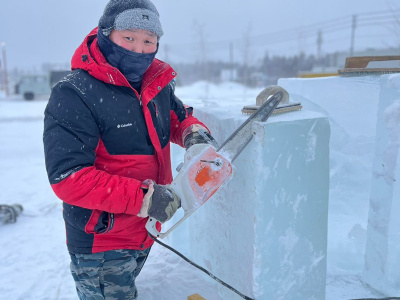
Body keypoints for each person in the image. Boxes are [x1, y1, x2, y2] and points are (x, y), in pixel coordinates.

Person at [43, 0, 217, 299]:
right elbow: (68, 178)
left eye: (149, 40)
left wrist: (194, 133)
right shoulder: (75, 92)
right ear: (106, 34)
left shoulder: (155, 83)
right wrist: (147, 199)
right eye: (129, 38)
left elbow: (177, 116)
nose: (139, 50)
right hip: (102, 241)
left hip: (144, 228)